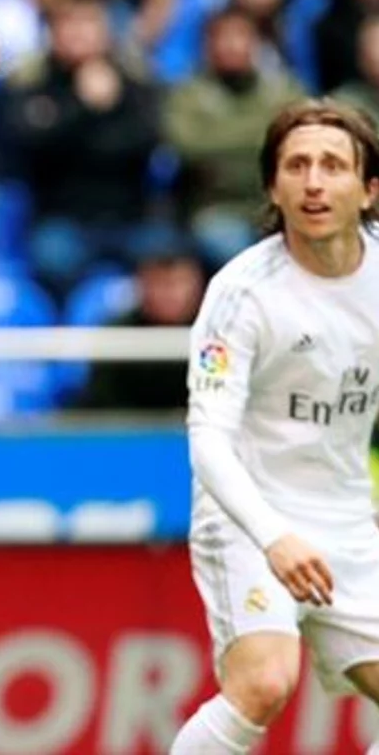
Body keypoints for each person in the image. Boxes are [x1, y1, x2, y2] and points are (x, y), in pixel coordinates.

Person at [172, 99, 379, 754]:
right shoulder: (243, 293)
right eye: (296, 166)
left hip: (344, 518)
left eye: (332, 166)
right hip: (249, 518)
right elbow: (207, 437)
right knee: (265, 681)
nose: (314, 181)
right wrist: (273, 537)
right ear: (273, 187)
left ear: (369, 190)